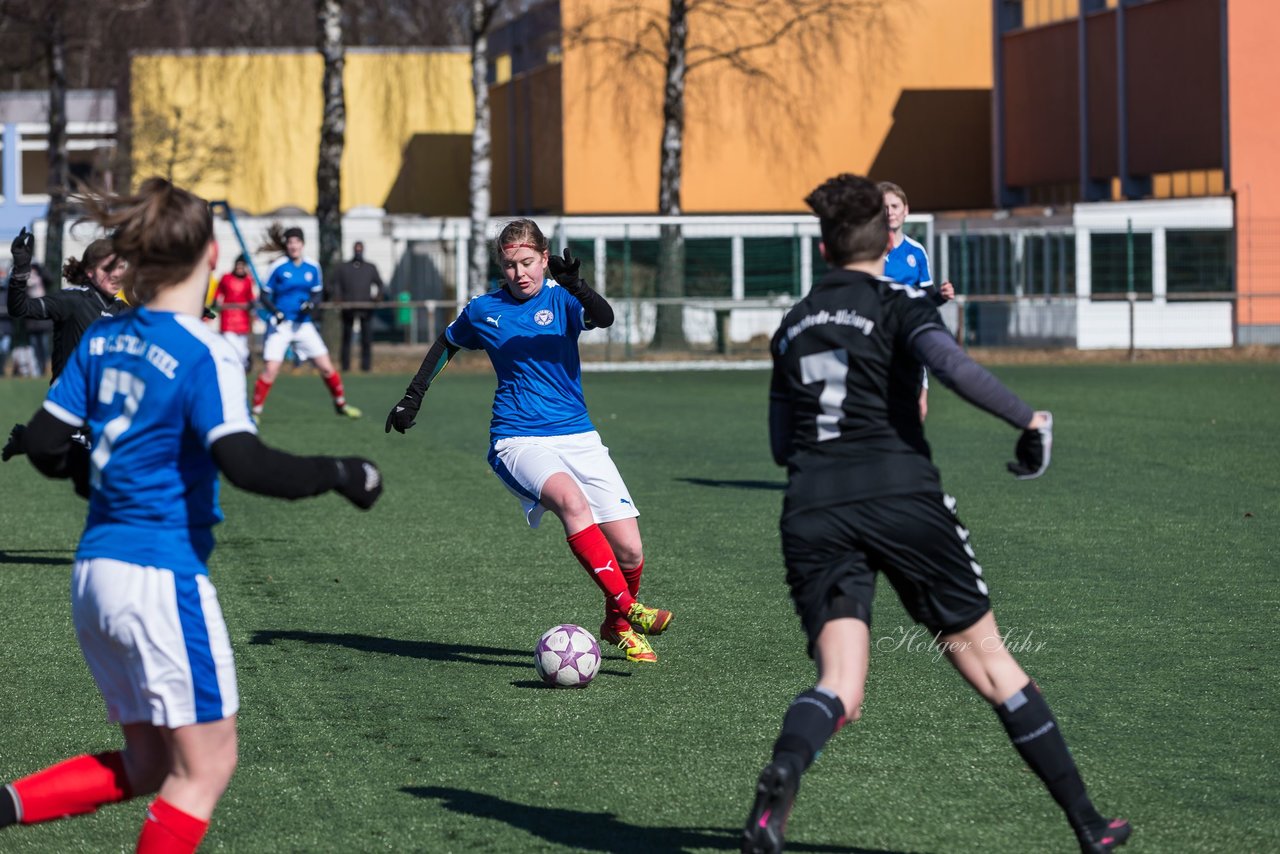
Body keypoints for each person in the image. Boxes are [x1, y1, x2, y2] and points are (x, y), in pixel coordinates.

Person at [742, 174, 1129, 854]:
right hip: (901, 497)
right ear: (888, 241)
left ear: (825, 248)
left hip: (814, 508)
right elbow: (949, 366)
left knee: (841, 685)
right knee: (991, 664)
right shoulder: (897, 302)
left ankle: (783, 778)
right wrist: (1027, 418)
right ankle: (1090, 826)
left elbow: (780, 445)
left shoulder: (792, 324)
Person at [0, 177, 383, 853]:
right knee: (207, 768)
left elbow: (46, 445)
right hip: (158, 574)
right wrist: (342, 472)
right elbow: (247, 464)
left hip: (95, 575)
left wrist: (92, 472)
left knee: (151, 766)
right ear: (208, 251)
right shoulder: (206, 349)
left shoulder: (103, 341)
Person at [385, 219, 673, 663]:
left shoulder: (562, 299)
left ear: (544, 259)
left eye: (526, 263)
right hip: (518, 439)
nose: (519, 273)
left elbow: (605, 318)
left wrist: (577, 284)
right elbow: (446, 343)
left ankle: (615, 625)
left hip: (579, 435)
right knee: (571, 503)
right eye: (509, 265)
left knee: (631, 548)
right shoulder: (484, 309)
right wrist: (412, 398)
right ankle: (631, 609)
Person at [250, 225, 360, 418]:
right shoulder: (278, 266)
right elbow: (264, 296)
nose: (293, 246)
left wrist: (311, 306)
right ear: (287, 245)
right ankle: (255, 413)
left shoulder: (312, 266)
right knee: (271, 370)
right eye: (290, 242)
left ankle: (341, 404)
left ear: (302, 244)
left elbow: (317, 295)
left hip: (303, 325)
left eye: (297, 242)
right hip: (282, 326)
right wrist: (276, 312)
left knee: (326, 367)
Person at [6, 232, 127, 381]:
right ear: (90, 271)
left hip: (102, 401)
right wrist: (21, 271)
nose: (115, 274)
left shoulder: (124, 310)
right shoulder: (72, 300)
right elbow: (19, 308)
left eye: (120, 267)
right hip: (67, 401)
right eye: (107, 268)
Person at [879, 181, 953, 421]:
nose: (890, 212)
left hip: (908, 339)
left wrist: (941, 296)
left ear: (905, 210)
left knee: (916, 409)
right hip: (877, 338)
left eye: (895, 206)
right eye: (884, 207)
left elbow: (926, 298)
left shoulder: (916, 252)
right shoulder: (867, 251)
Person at [331, 241, 384, 372]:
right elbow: (335, 284)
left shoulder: (370, 267)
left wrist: (378, 296)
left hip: (365, 307)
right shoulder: (343, 268)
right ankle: (345, 366)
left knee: (366, 339)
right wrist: (338, 297)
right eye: (356, 249)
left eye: (360, 249)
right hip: (348, 307)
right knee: (346, 339)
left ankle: (366, 367)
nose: (358, 252)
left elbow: (380, 284)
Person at [212, 255, 256, 372]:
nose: (240, 269)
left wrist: (249, 306)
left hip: (242, 319)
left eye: (242, 267)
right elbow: (218, 293)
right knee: (229, 343)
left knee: (241, 348)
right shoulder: (226, 278)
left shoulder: (247, 281)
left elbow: (251, 298)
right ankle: (231, 368)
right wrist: (217, 303)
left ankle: (241, 367)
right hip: (228, 319)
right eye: (238, 266)